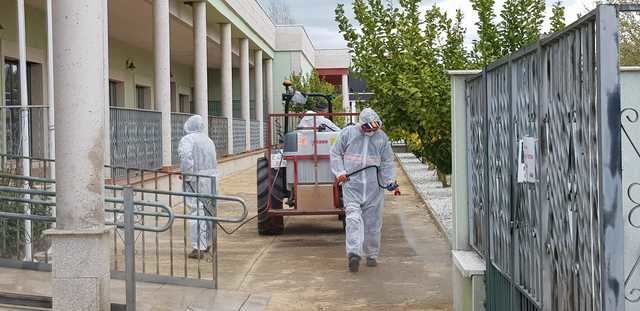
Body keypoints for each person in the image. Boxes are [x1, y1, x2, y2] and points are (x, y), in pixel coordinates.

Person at [330, 108, 398, 272]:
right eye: (369, 127)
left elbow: (387, 161)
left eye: (375, 127)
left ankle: (372, 254)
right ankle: (354, 253)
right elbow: (335, 153)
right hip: (352, 184)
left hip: (374, 187)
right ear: (362, 124)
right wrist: (339, 172)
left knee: (373, 222)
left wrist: (390, 181)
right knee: (353, 218)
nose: (372, 130)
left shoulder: (381, 138)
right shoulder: (347, 134)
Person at [178, 115, 218, 259]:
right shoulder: (208, 140)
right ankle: (207, 243)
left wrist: (186, 174)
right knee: (208, 211)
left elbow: (186, 156)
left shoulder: (188, 139)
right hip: (211, 179)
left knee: (195, 211)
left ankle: (198, 247)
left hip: (195, 179)